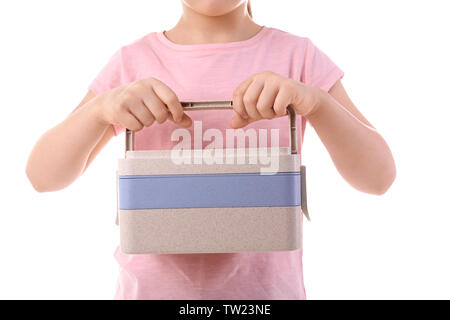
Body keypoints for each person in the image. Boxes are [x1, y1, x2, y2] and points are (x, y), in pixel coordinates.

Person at [25, 0, 396, 299]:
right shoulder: (130, 64)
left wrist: (315, 102)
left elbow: (378, 178)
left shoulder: (298, 58)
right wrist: (101, 108)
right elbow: (42, 177)